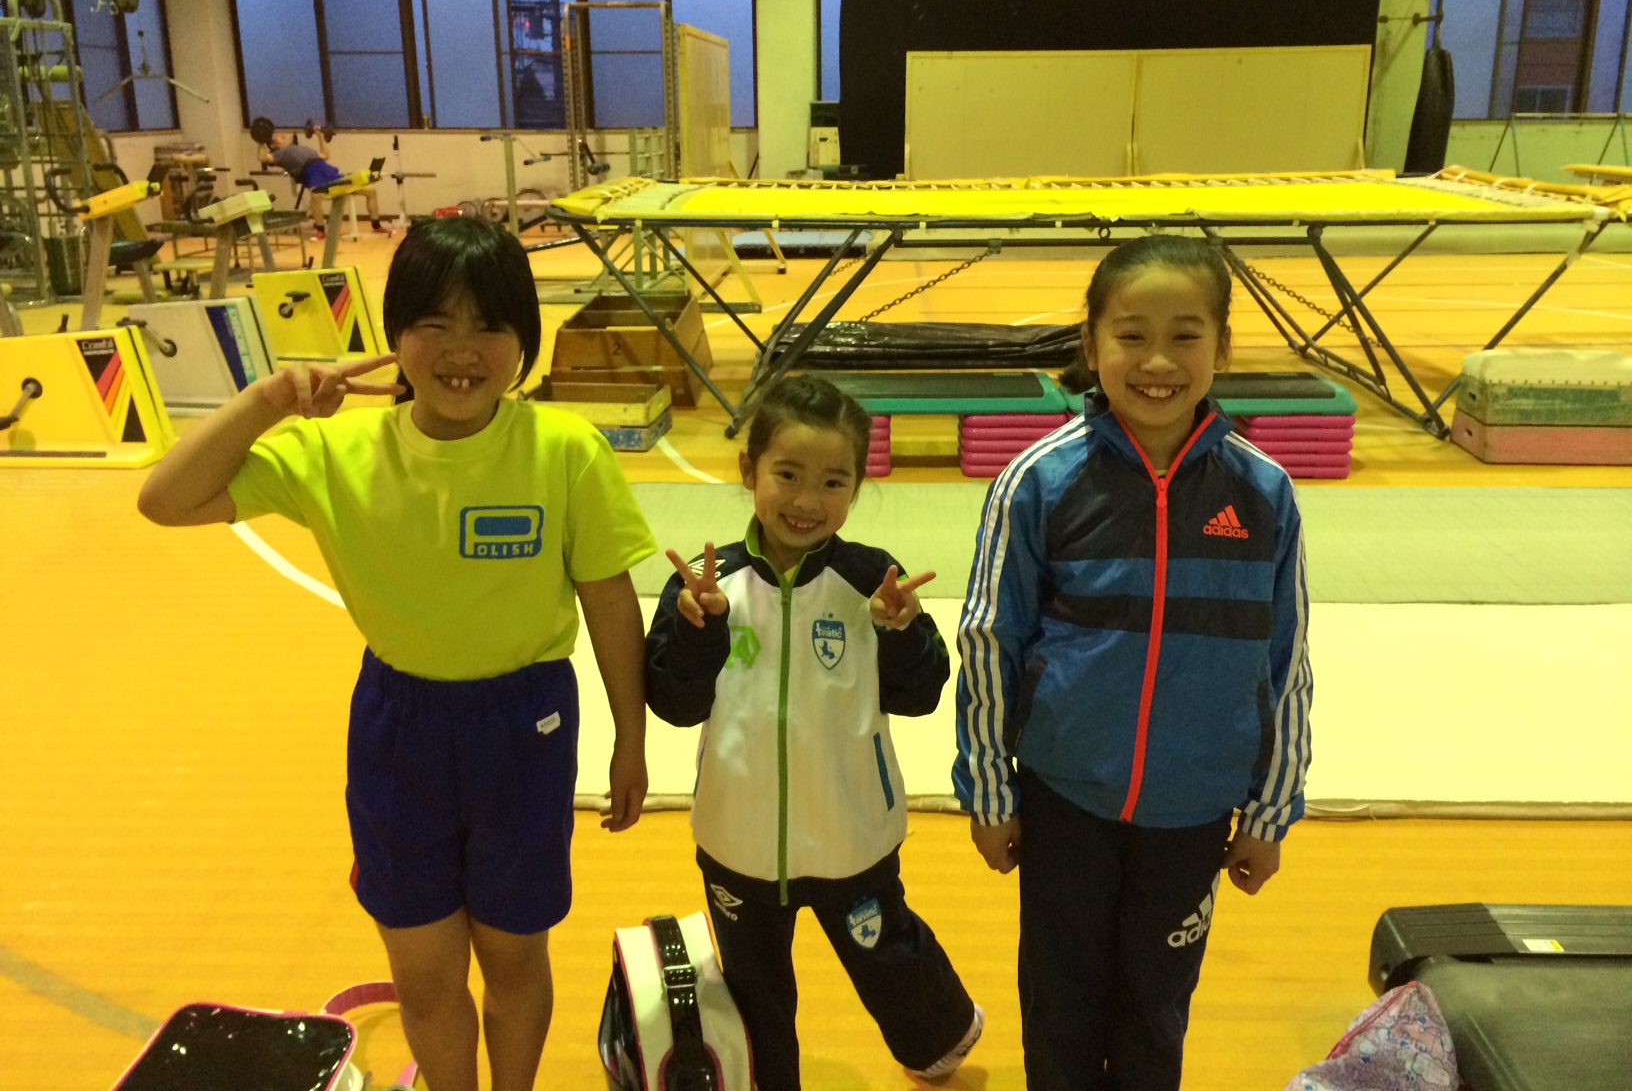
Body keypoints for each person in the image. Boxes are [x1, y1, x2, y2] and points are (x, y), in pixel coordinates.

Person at [137, 217, 655, 1091]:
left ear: (525, 340)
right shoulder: (335, 451)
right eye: (434, 323)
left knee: (513, 957)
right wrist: (267, 400)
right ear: (394, 336)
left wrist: (631, 742)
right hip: (398, 728)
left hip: (525, 727)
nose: (462, 350)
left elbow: (610, 603)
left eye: (489, 325)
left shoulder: (566, 452)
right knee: (423, 970)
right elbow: (165, 499)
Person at [954, 234, 1314, 1091]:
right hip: (1065, 800)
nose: (1158, 361)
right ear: (1091, 344)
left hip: (1194, 810)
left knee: (1157, 1008)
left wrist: (1270, 811)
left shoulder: (1263, 492)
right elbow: (988, 641)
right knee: (1061, 1004)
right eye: (1131, 335)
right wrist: (991, 792)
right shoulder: (1037, 483)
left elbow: (1287, 663)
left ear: (1223, 347)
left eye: (1186, 335)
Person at [645, 374, 983, 1089]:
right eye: (788, 475)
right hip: (736, 839)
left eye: (833, 482)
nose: (807, 500)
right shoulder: (706, 584)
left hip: (851, 832)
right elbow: (674, 703)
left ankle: (943, 1034)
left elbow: (922, 695)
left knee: (888, 954)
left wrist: (902, 631)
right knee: (755, 990)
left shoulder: (873, 581)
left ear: (856, 488)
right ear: (749, 471)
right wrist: (698, 629)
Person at [252, 115, 387, 235]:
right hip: (314, 175)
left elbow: (325, 155)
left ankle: (376, 226)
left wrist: (321, 137)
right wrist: (261, 141)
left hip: (330, 172)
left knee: (371, 190)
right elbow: (263, 157)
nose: (281, 135)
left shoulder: (300, 148)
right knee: (315, 196)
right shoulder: (279, 154)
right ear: (273, 145)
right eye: (278, 136)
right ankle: (320, 231)